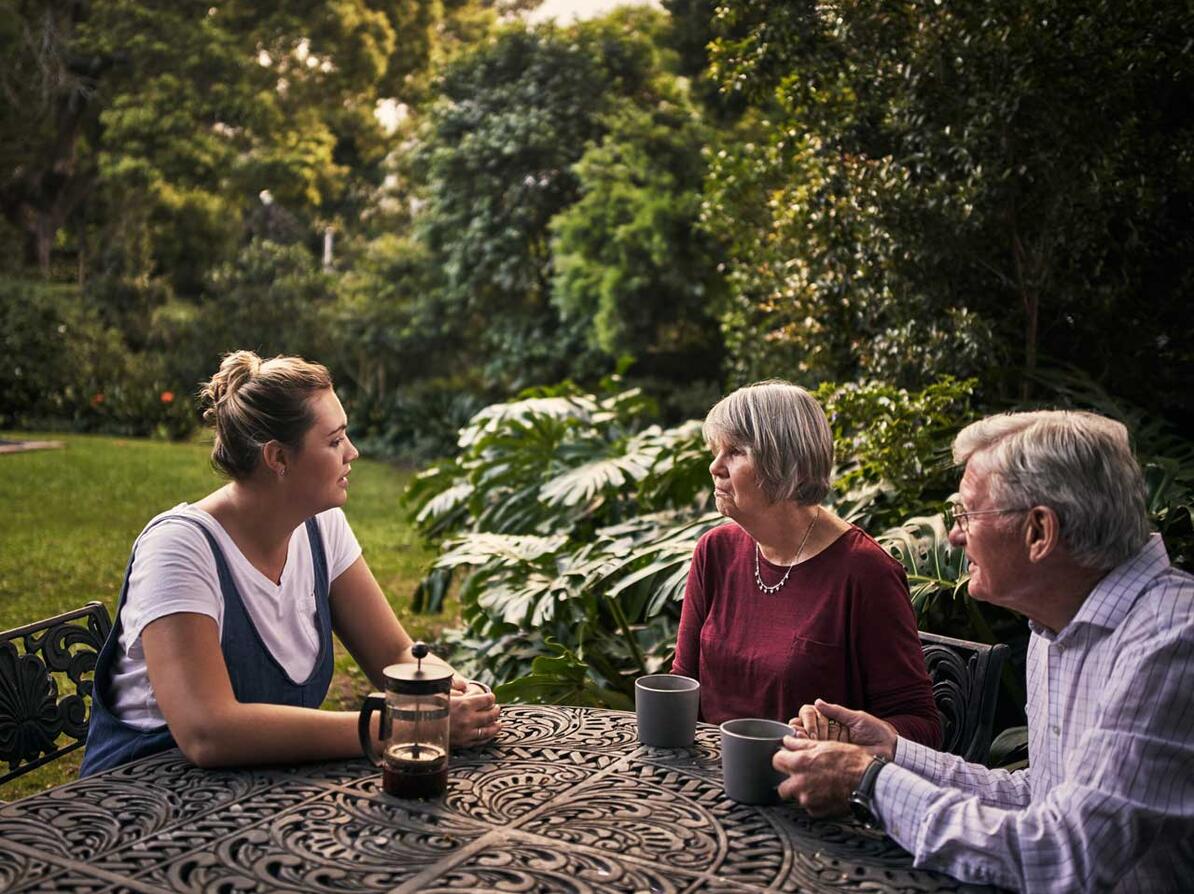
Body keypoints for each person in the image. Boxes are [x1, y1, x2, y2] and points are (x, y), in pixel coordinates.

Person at [774, 410, 1194, 891]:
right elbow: (1041, 795)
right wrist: (891, 752)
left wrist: (869, 782)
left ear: (1039, 531)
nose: (953, 536)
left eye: (966, 515)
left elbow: (1064, 854)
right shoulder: (1057, 625)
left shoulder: (1171, 641)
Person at [81, 351, 501, 776]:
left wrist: (455, 695)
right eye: (334, 441)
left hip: (259, 793)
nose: (352, 452)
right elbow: (207, 732)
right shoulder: (180, 548)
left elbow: (394, 653)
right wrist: (402, 727)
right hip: (141, 794)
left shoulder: (322, 527)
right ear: (278, 458)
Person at [670, 380, 940, 746]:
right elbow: (684, 682)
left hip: (810, 787)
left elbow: (921, 724)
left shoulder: (865, 573)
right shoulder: (715, 552)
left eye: (734, 452)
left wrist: (844, 735)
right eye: (716, 451)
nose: (715, 466)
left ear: (783, 464)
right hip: (712, 779)